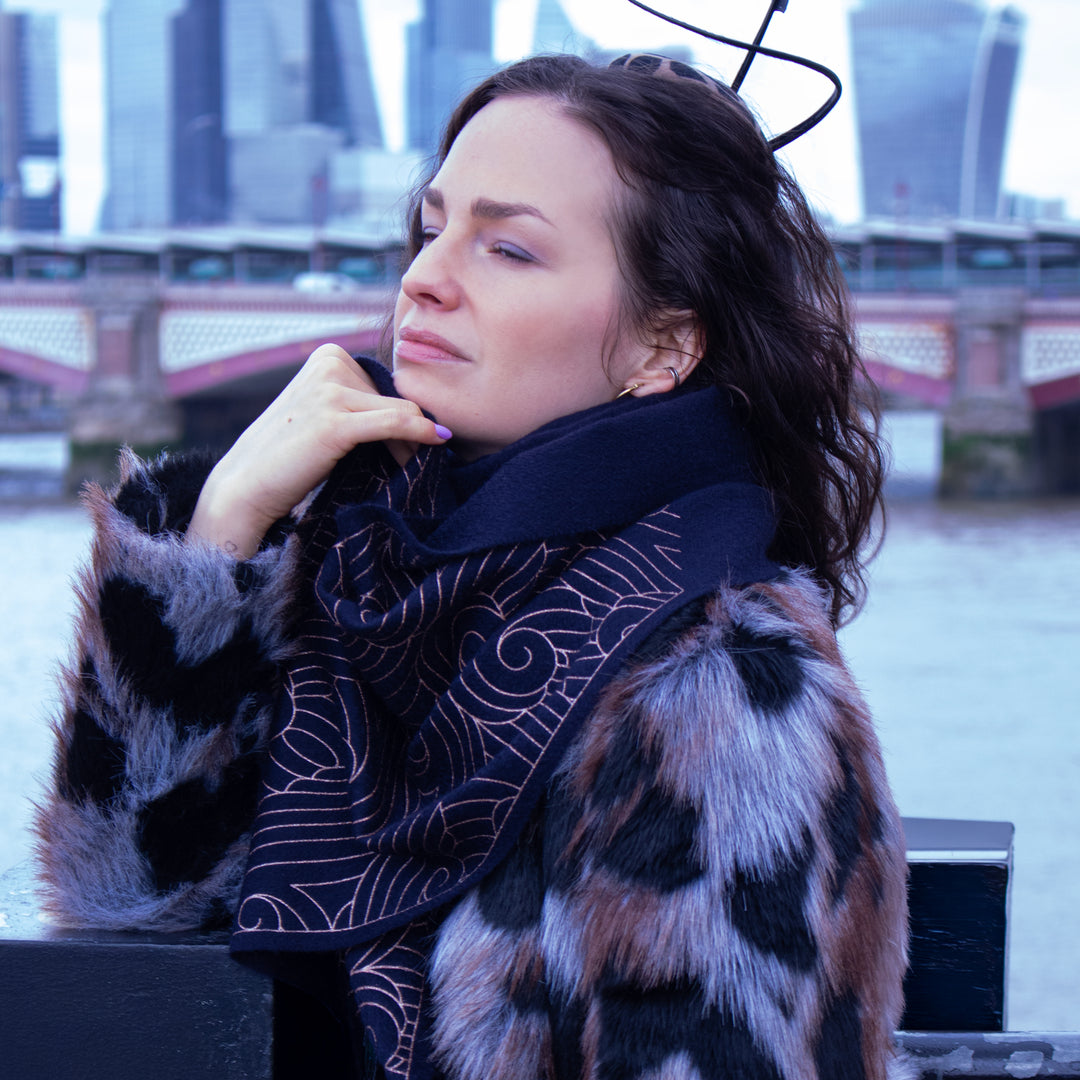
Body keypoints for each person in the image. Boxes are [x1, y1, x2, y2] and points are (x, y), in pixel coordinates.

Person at [35, 54, 910, 1080]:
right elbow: (130, 904)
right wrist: (224, 523)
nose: (424, 278)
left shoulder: (720, 690)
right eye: (430, 227)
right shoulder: (357, 582)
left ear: (662, 346)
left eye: (507, 248)